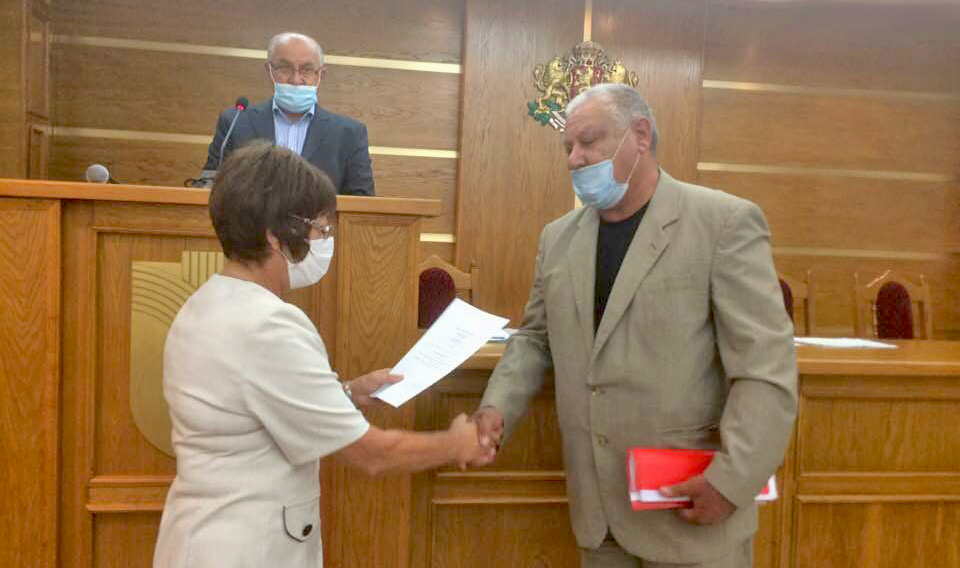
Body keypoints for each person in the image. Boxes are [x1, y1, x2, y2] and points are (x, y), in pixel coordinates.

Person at [471, 83, 797, 568]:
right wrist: (496, 407)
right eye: (567, 147)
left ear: (640, 135)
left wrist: (733, 481)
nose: (574, 159)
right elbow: (536, 338)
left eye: (588, 142)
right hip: (598, 514)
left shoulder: (724, 222)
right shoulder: (558, 238)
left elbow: (765, 370)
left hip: (692, 505)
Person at [154, 143, 492, 568]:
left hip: (201, 536)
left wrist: (346, 394)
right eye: (318, 229)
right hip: (247, 546)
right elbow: (373, 454)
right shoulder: (270, 325)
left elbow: (251, 406)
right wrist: (455, 443)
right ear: (274, 235)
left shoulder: (204, 302)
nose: (324, 241)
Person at [200, 32, 374, 195]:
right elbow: (210, 187)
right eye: (285, 68)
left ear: (321, 75)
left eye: (307, 70)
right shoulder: (235, 123)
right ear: (269, 70)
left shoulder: (349, 134)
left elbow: (361, 202)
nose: (296, 79)